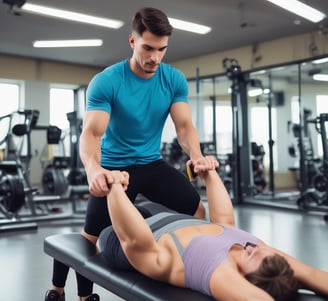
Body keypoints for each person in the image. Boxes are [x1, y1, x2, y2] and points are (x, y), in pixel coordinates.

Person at [44, 7, 218, 301]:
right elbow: (92, 134)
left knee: (195, 209)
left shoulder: (173, 80)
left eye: (162, 49)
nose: (155, 57)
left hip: (151, 163)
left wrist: (197, 155)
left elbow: (185, 126)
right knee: (91, 235)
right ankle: (62, 291)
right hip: (114, 169)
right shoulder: (107, 81)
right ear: (132, 41)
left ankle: (189, 273)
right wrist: (94, 170)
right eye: (148, 47)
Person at [97, 164, 328, 301]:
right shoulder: (266, 258)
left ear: (244, 280)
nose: (253, 247)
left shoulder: (220, 273)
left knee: (98, 226)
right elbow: (225, 221)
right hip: (165, 215)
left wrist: (114, 186)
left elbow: (134, 239)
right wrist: (210, 174)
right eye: (259, 250)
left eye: (251, 256)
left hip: (124, 236)